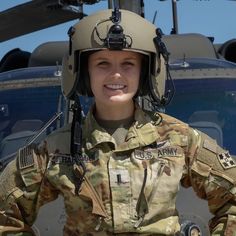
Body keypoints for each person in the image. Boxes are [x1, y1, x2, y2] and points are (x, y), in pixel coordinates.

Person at [0, 8, 236, 236]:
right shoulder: (56, 150)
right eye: (102, 63)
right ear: (84, 72)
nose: (115, 74)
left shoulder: (179, 140)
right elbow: (5, 215)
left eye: (128, 64)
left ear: (145, 72)